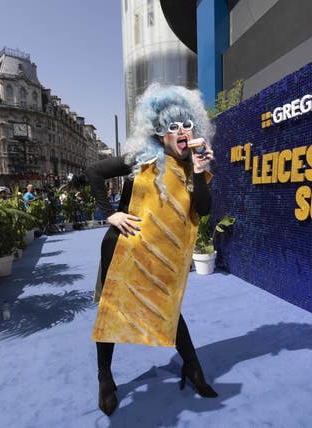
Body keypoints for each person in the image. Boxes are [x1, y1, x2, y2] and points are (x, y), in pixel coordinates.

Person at [78, 84, 217, 416]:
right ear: (160, 133)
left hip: (161, 255)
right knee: (111, 310)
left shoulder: (196, 168)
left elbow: (204, 208)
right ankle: (105, 377)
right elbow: (94, 172)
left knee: (169, 308)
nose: (181, 131)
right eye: (172, 126)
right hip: (123, 247)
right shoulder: (140, 160)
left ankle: (193, 368)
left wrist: (198, 173)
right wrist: (108, 211)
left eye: (186, 124)